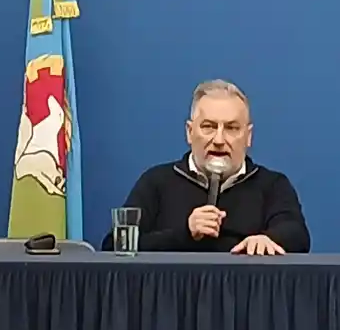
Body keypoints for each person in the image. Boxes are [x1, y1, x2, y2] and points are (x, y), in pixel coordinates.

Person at [104, 80, 310, 254]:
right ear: (189, 132)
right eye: (209, 127)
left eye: (231, 128)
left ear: (248, 137)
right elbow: (115, 245)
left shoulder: (272, 185)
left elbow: (298, 236)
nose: (219, 139)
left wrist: (268, 239)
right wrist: (185, 233)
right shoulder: (157, 181)